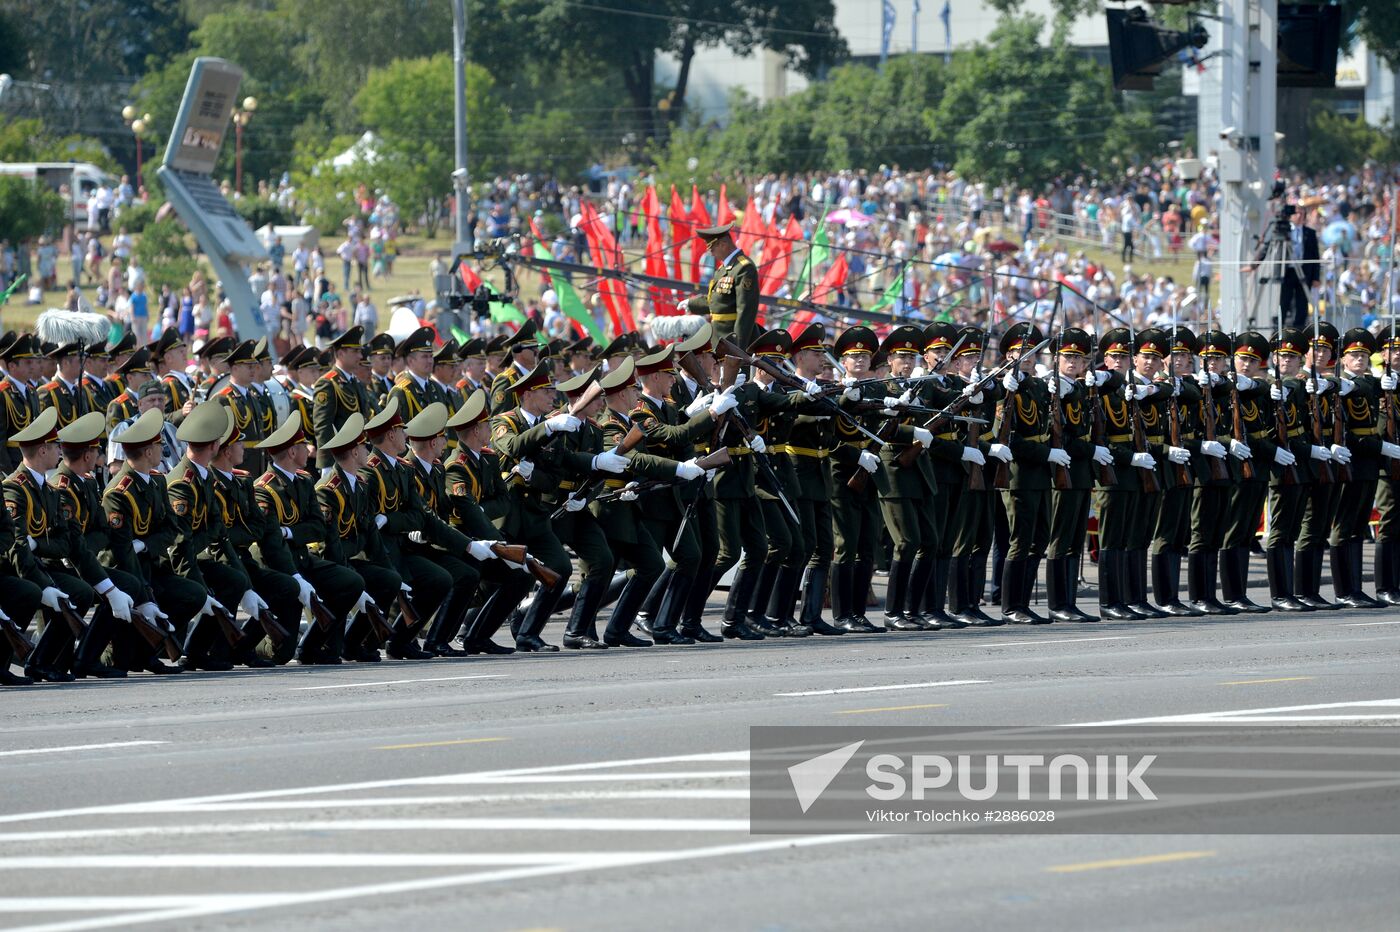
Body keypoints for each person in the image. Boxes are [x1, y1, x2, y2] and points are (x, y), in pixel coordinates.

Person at [681, 223, 759, 350]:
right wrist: (692, 303)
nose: (711, 254)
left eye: (712, 249)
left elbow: (745, 312)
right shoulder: (724, 269)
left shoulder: (744, 268)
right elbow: (718, 303)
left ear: (723, 245)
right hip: (720, 340)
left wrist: (738, 348)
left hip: (732, 342)